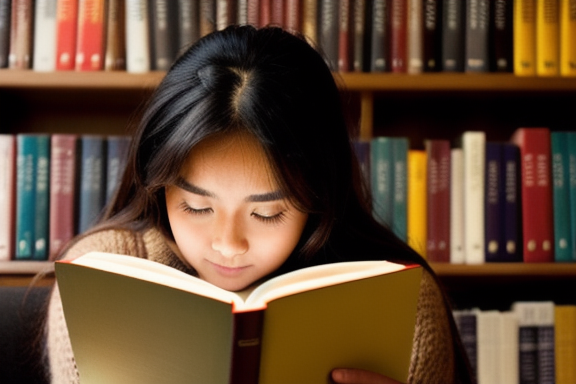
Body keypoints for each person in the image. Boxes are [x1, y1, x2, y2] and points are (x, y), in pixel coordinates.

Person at [44, 25, 473, 384]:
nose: (228, 245)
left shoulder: (404, 312)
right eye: (196, 206)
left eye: (268, 213)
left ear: (319, 198)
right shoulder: (100, 276)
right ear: (158, 186)